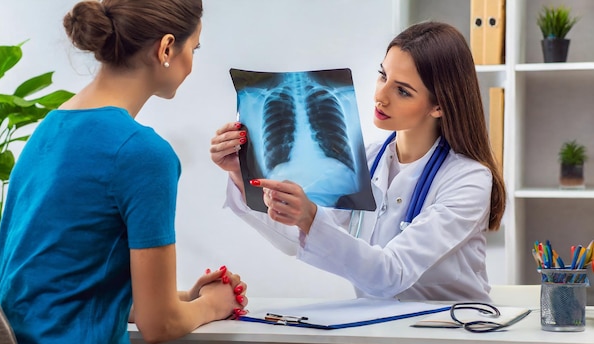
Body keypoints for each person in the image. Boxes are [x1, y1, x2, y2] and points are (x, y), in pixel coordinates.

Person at [0, 1, 248, 344]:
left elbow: (63, 288)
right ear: (166, 48)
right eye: (195, 48)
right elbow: (158, 324)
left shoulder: (48, 130)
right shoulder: (142, 153)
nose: (193, 61)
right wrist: (214, 305)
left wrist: (186, 297)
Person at [210, 21, 505, 302]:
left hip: (454, 334)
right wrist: (241, 174)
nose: (380, 96)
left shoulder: (468, 179)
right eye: (383, 75)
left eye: (402, 90)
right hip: (378, 329)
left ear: (439, 105)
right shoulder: (367, 159)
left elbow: (391, 272)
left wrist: (310, 218)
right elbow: (297, 239)